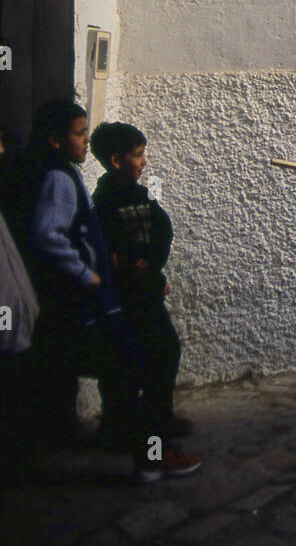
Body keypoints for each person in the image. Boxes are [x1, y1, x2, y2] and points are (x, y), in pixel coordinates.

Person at [27, 100, 200, 482]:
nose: (85, 141)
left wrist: (150, 268)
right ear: (56, 140)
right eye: (78, 133)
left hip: (102, 304)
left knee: (135, 366)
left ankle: (145, 450)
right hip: (96, 306)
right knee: (142, 362)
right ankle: (149, 454)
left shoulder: (68, 176)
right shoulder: (61, 179)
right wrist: (87, 275)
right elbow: (47, 235)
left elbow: (158, 232)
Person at [90, 121, 191, 448]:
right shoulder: (104, 200)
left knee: (165, 351)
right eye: (137, 155)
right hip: (123, 296)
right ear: (116, 160)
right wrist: (132, 265)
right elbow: (110, 244)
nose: (144, 161)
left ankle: (157, 416)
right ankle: (121, 425)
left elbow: (162, 229)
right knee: (125, 361)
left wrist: (154, 267)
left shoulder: (141, 194)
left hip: (146, 290)